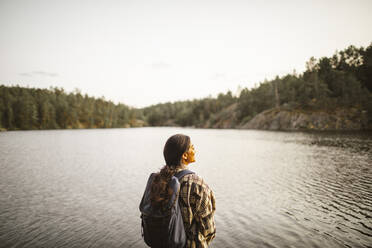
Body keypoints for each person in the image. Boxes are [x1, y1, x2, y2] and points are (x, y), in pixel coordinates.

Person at [149, 134, 216, 248]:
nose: (195, 149)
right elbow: (208, 229)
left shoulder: (157, 180)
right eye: (192, 147)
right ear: (184, 156)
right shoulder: (197, 184)